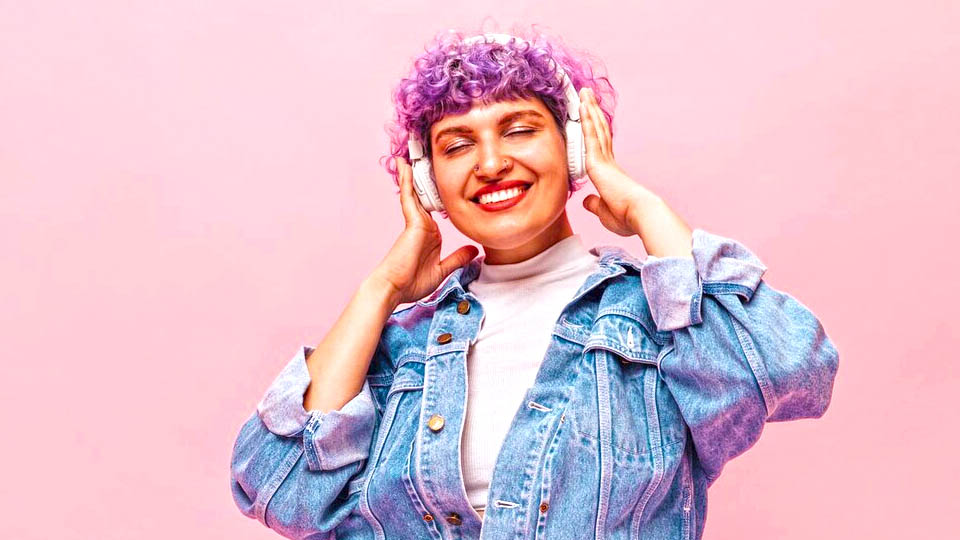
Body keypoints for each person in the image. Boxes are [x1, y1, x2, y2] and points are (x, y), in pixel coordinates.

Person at [230, 28, 839, 540]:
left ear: (573, 145)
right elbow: (279, 486)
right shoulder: (402, 346)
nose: (491, 163)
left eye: (520, 129)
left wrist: (648, 210)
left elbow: (791, 371)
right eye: (457, 144)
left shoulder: (660, 317)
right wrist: (381, 288)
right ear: (427, 181)